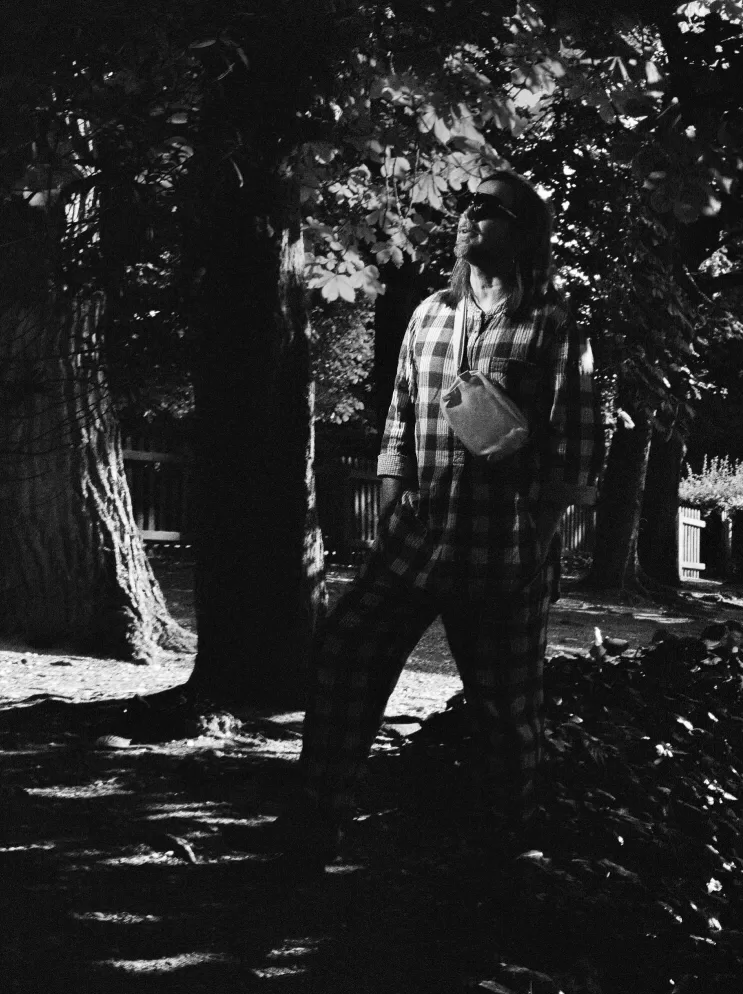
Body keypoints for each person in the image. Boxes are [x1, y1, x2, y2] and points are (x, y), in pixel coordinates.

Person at [226, 170, 604, 866]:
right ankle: (317, 819)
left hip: (502, 550)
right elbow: (398, 418)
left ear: (525, 235)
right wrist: (392, 503)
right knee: (345, 649)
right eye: (467, 204)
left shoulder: (554, 326)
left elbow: (574, 456)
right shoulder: (429, 314)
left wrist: (537, 546)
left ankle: (503, 850)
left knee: (506, 711)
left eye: (490, 209)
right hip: (416, 540)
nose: (470, 215)